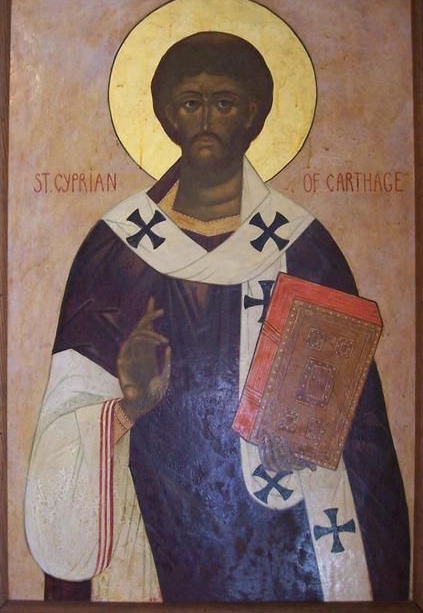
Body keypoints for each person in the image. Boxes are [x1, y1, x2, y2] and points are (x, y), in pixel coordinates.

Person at [25, 32, 409, 603]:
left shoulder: (303, 246)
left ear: (254, 115)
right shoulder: (117, 249)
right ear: (166, 115)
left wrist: (311, 435)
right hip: (153, 519)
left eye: (224, 102)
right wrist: (127, 405)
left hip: (279, 524)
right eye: (190, 102)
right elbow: (69, 407)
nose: (205, 119)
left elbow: (361, 428)